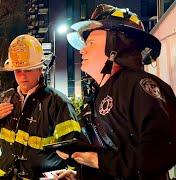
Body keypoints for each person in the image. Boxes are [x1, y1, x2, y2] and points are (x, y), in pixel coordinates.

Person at [57, 4, 176, 180]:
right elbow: (113, 153)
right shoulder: (100, 93)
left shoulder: (139, 86)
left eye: (90, 43)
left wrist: (99, 161)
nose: (82, 50)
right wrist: (82, 174)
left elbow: (161, 151)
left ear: (116, 46)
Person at [0, 34, 81, 179]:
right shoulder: (5, 98)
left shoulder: (58, 103)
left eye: (28, 70)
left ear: (41, 68)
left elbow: (73, 149)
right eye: (17, 71)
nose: (22, 76)